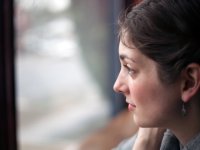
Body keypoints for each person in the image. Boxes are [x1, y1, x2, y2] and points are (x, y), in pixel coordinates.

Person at [113, 0, 200, 149]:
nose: (117, 86)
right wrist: (145, 141)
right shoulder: (164, 130)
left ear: (188, 82)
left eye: (130, 69)